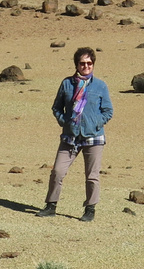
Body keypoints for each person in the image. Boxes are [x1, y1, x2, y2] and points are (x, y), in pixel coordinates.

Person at [38, 47, 113, 221]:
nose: (86, 66)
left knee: (92, 176)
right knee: (57, 171)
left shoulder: (100, 86)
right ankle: (51, 205)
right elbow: (57, 107)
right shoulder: (67, 84)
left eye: (89, 63)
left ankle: (90, 209)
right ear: (76, 65)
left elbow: (108, 111)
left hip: (93, 137)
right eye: (82, 63)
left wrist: (96, 123)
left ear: (93, 64)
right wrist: (65, 122)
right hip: (70, 137)